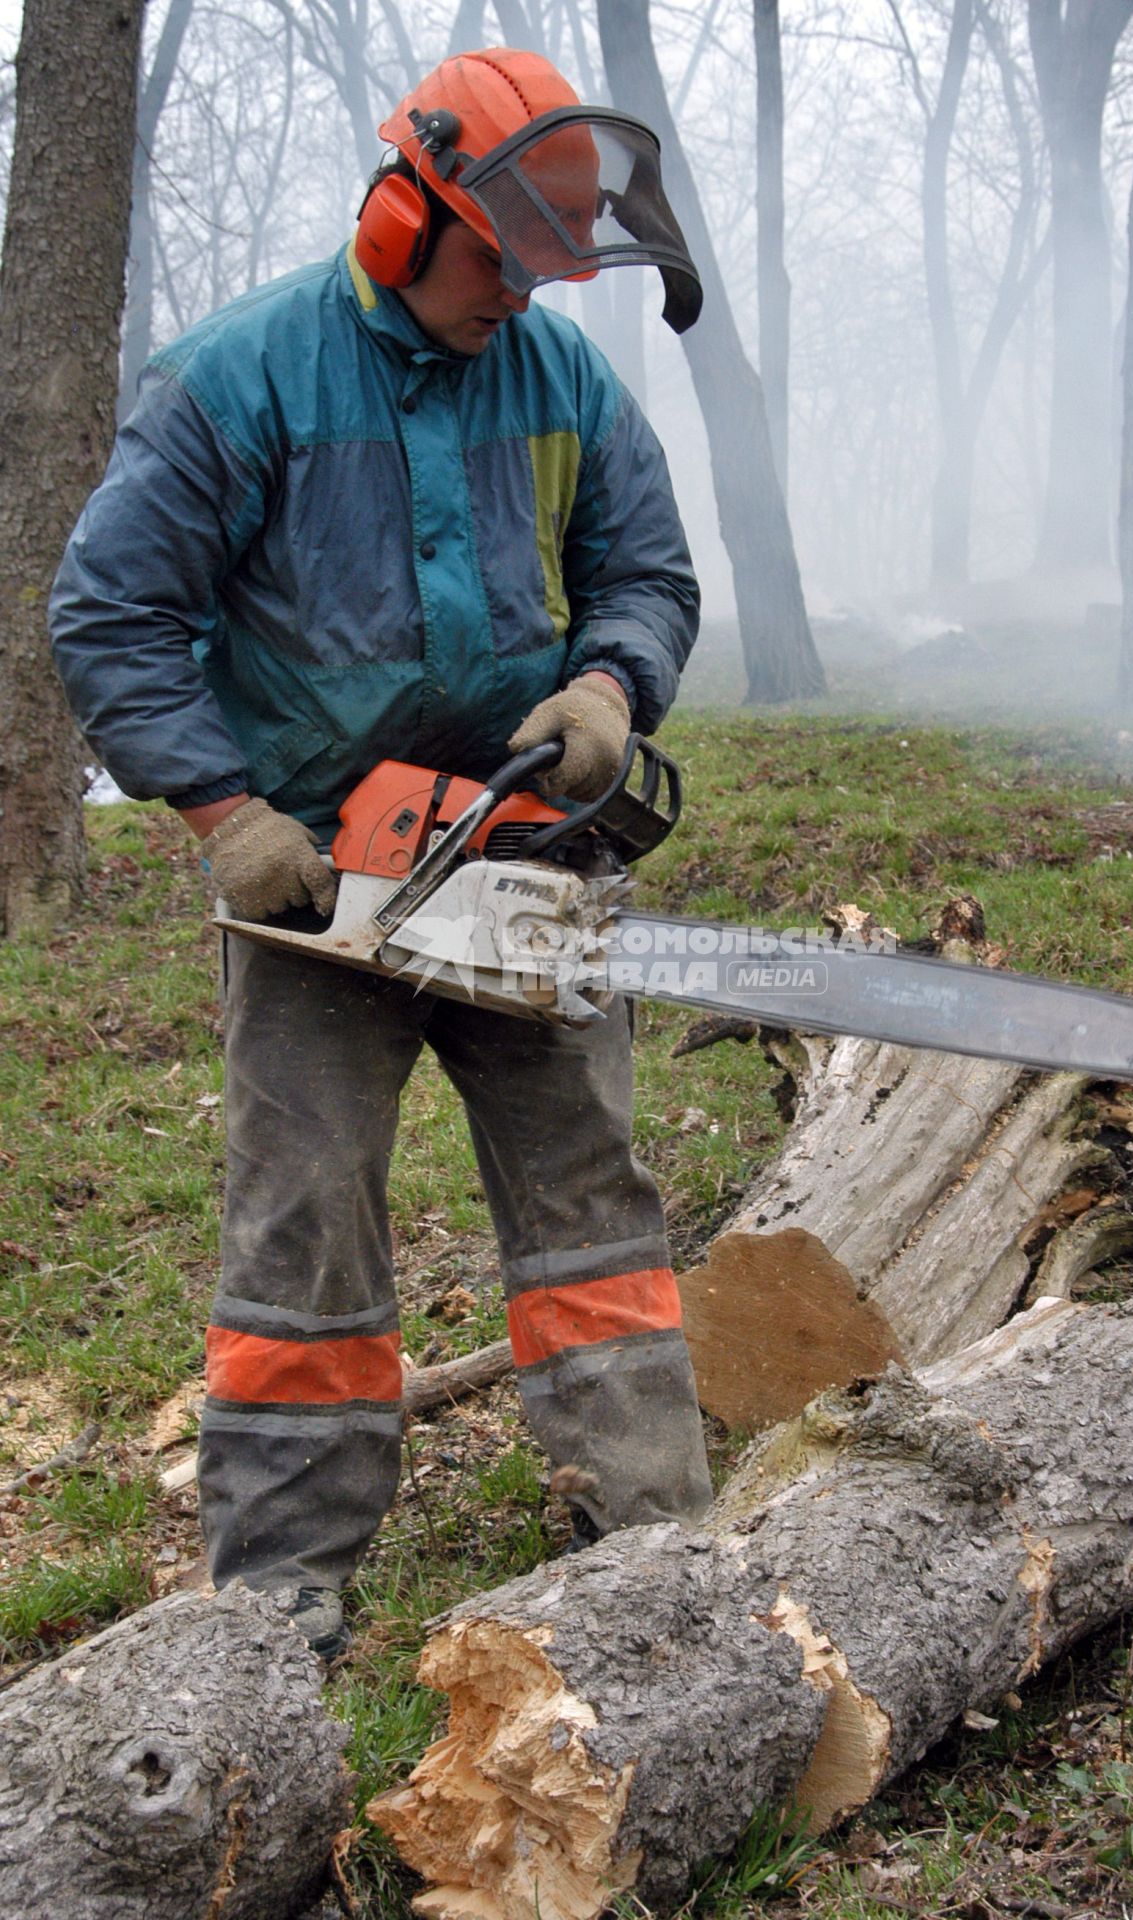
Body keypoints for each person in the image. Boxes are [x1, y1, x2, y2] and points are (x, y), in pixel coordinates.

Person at [50, 46, 713, 1660]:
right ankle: (281, 1595)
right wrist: (226, 813)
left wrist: (611, 684)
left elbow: (646, 567)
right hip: (314, 886)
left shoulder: (559, 381)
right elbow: (109, 613)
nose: (527, 295)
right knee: (304, 1223)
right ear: (405, 215)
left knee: (590, 1202)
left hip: (522, 848)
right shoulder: (242, 378)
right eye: (507, 258)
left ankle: (647, 1529)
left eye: (555, 262)